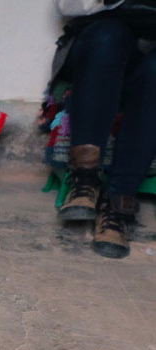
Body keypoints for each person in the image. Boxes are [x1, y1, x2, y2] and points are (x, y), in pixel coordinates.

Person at [51, 0, 156, 258]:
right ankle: (85, 179)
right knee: (108, 35)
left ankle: (119, 203)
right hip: (99, 49)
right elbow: (67, 5)